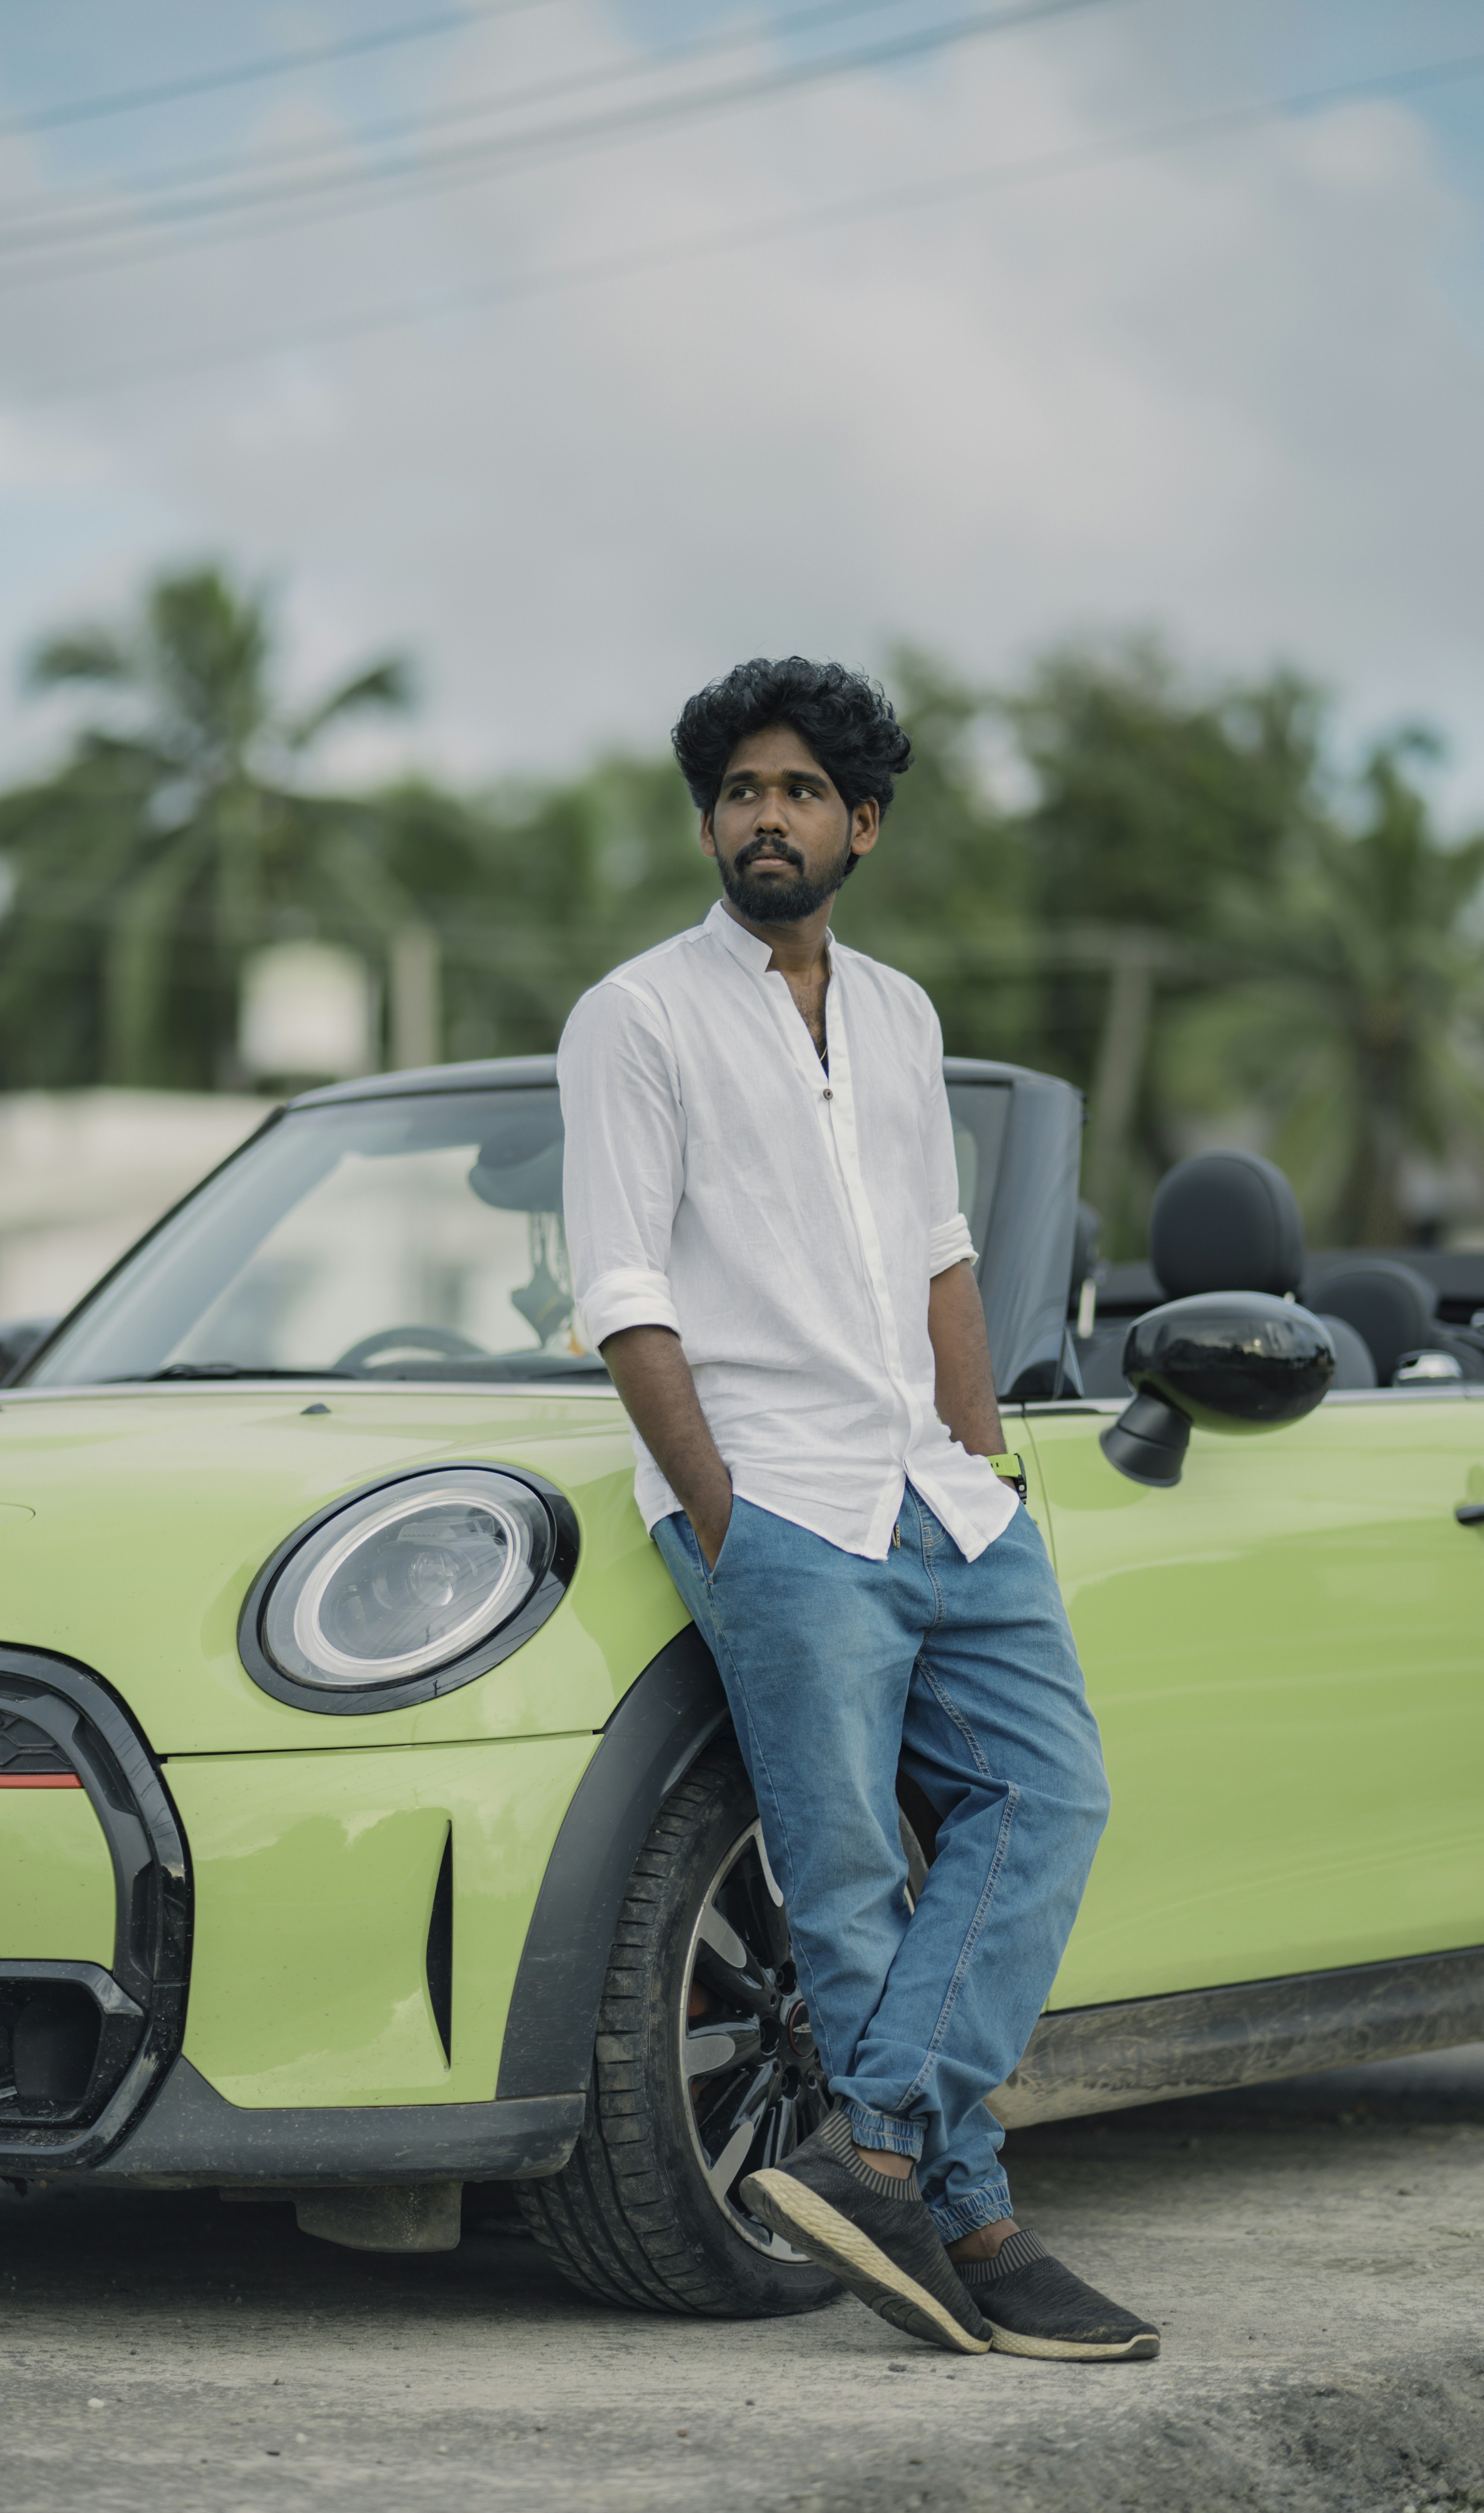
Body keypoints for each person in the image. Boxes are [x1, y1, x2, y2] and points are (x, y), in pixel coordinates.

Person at [557, 656, 1157, 2362]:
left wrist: (973, 1462)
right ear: (707, 820)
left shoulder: (898, 1014)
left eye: (802, 791)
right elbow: (621, 1289)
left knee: (1048, 1798)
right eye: (742, 790)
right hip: (777, 1507)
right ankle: (969, 2219)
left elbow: (939, 1261)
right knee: (843, 1896)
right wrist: (725, 1518)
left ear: (862, 826)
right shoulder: (638, 1017)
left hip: (936, 1493)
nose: (768, 815)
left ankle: (876, 2149)